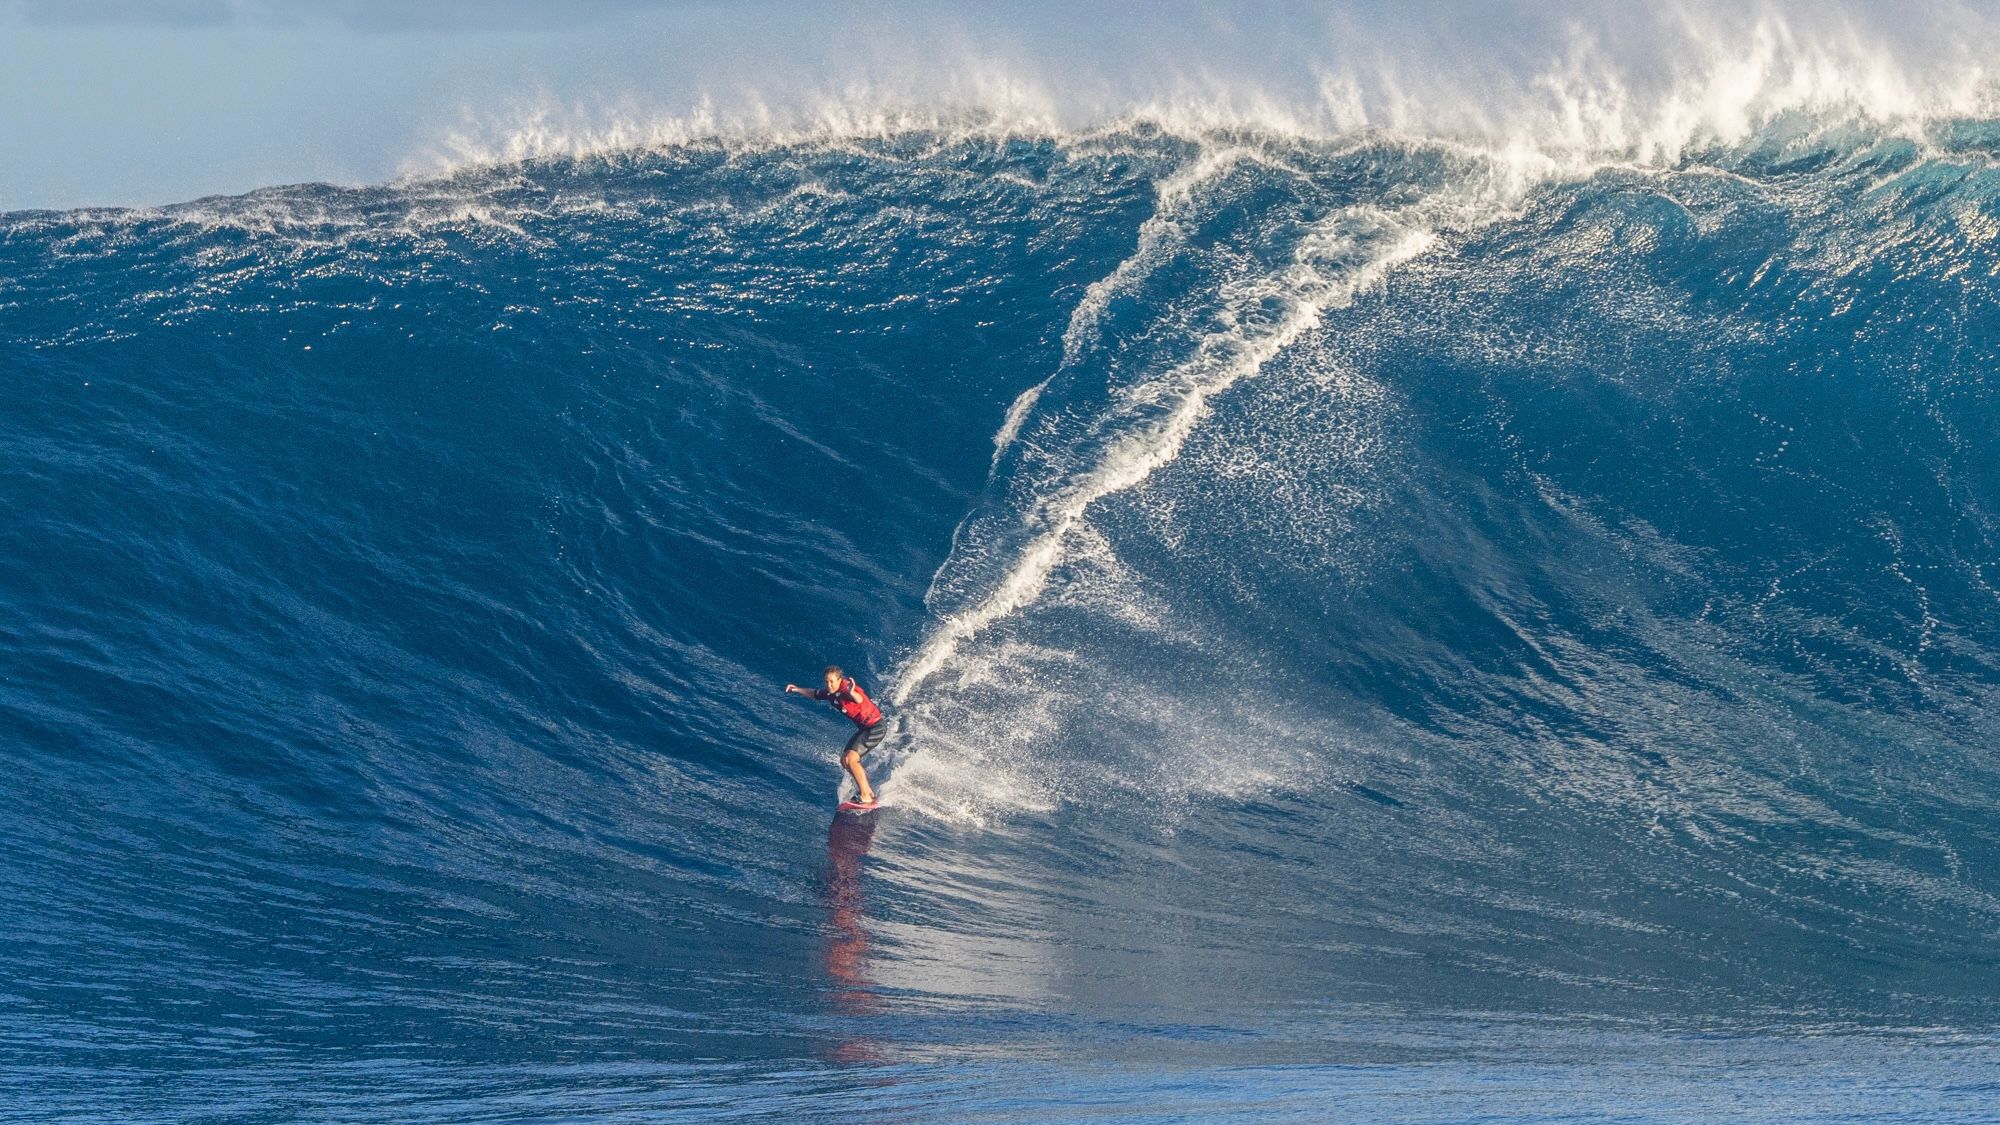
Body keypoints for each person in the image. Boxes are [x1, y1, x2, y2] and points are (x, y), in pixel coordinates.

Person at [785, 665, 885, 805]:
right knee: (844, 761)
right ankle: (868, 792)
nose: (829, 685)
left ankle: (866, 796)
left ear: (839, 680)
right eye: (826, 682)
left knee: (850, 759)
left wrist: (852, 692)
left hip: (875, 727)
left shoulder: (847, 689)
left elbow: (859, 699)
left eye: (832, 681)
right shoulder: (831, 692)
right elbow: (815, 694)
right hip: (864, 729)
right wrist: (797, 689)